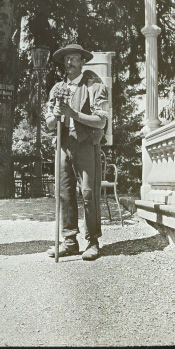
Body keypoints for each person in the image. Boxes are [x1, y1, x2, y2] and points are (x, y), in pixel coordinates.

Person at [45, 44, 109, 261]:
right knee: (64, 193)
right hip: (64, 145)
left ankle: (93, 241)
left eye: (74, 58)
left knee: (89, 193)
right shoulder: (57, 88)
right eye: (66, 59)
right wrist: (54, 116)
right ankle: (70, 241)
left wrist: (73, 113)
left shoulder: (94, 86)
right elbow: (49, 124)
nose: (70, 63)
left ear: (82, 61)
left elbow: (101, 122)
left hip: (85, 144)